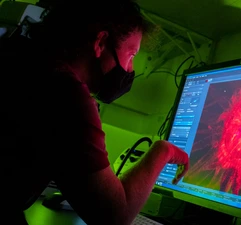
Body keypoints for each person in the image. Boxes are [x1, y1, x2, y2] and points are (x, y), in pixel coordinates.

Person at [0, 0, 189, 224]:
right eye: (131, 54)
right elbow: (114, 216)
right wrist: (163, 150)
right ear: (100, 43)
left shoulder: (21, 58)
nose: (130, 69)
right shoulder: (66, 95)